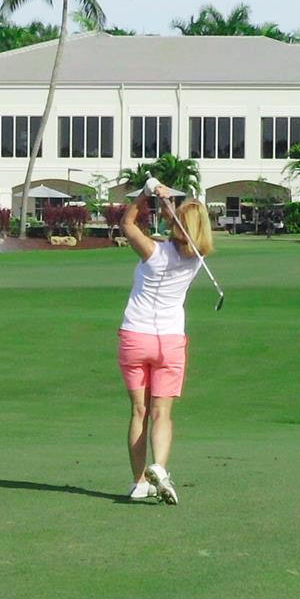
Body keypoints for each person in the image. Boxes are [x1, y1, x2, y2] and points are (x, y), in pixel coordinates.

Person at [116, 182, 215, 504]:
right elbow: (180, 234)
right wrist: (168, 203)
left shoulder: (153, 252)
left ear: (176, 223)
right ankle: (159, 466)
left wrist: (146, 194)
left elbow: (127, 224)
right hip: (170, 341)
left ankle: (139, 482)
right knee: (161, 413)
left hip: (135, 337)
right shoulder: (198, 257)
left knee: (139, 411)